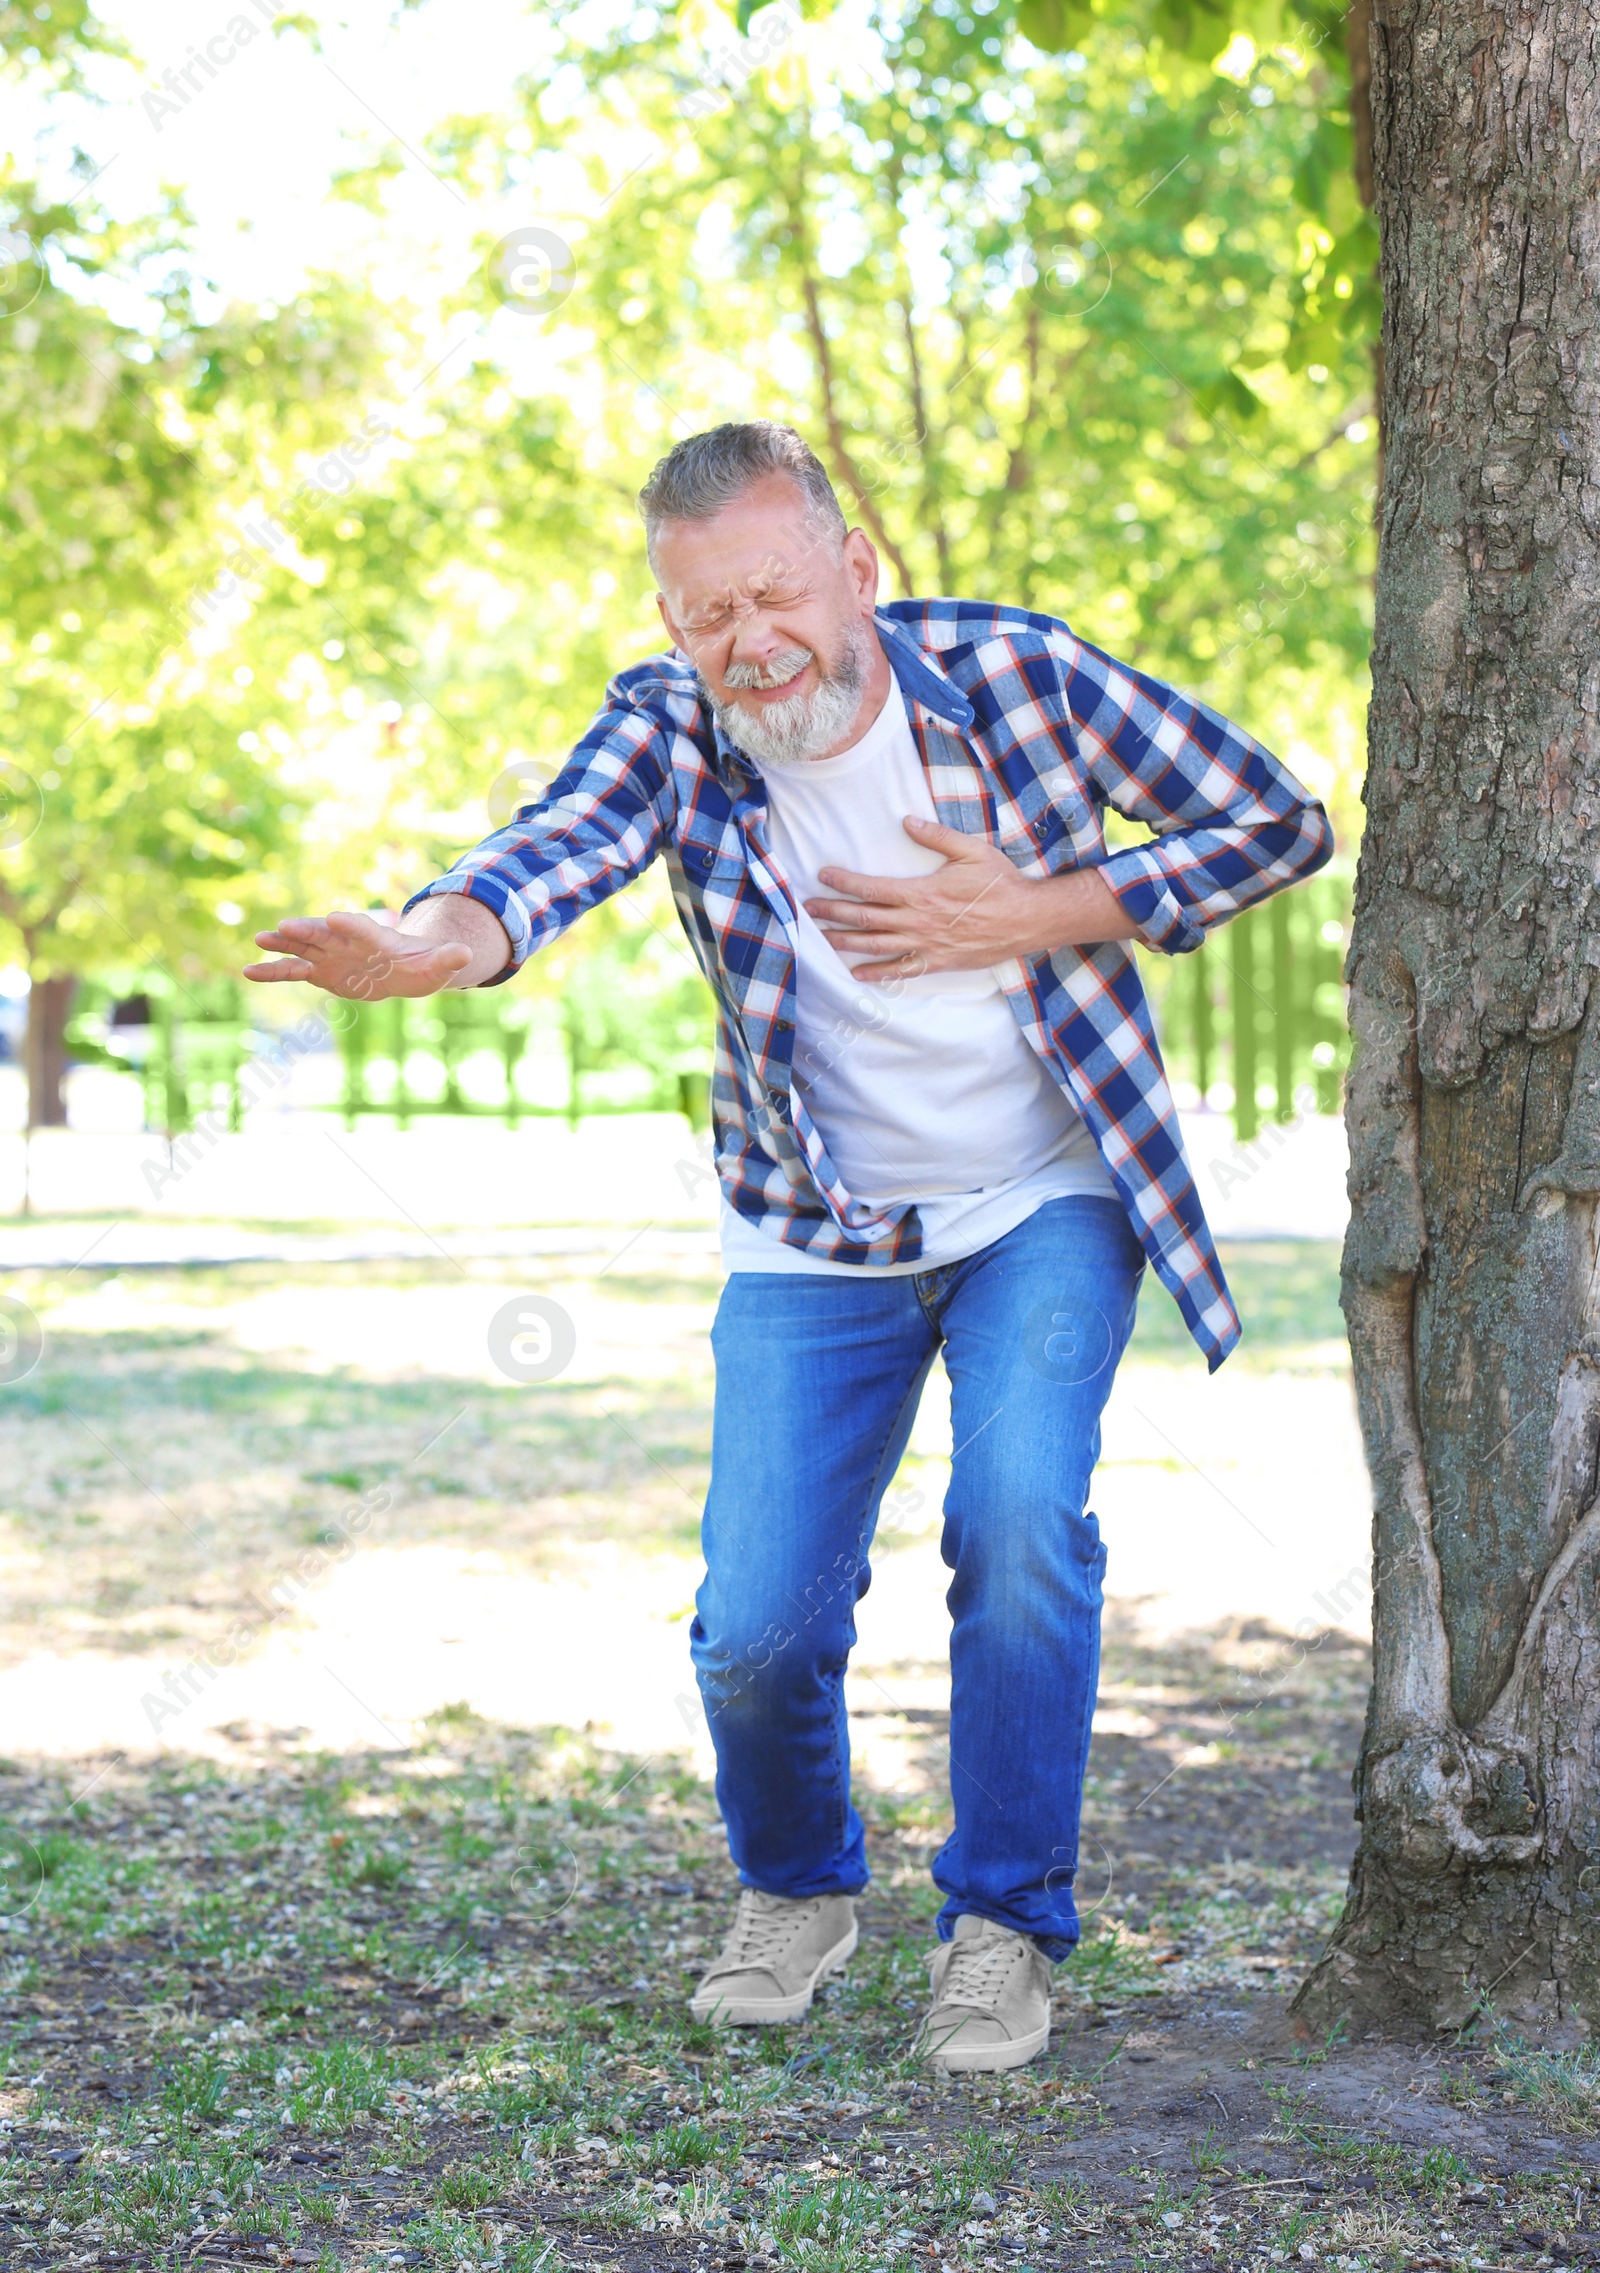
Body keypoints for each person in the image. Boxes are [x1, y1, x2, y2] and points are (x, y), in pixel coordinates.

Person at [247, 420, 1333, 2071]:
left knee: (1022, 1524)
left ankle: (1003, 1926)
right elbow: (553, 852)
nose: (749, 643)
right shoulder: (674, 726)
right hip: (815, 1226)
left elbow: (1276, 820)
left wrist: (1041, 907)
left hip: (1045, 1192)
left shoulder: (1018, 676)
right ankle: (800, 1890)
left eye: (773, 594)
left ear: (856, 573)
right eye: (707, 616)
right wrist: (426, 944)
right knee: (754, 1617)